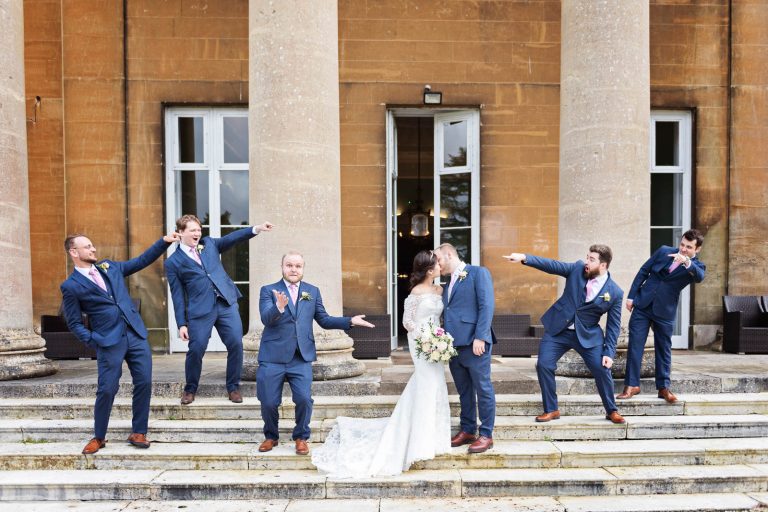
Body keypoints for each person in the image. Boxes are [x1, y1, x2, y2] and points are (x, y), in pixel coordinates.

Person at [312, 250, 451, 477]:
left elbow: (442, 317)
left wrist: (440, 338)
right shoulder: (416, 292)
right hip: (422, 342)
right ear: (429, 270)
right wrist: (427, 339)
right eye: (437, 264)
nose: (441, 266)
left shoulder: (440, 290)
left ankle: (434, 436)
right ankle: (420, 440)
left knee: (436, 383)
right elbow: (407, 322)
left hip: (437, 341)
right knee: (426, 382)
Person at [60, 230, 180, 454]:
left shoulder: (110, 267)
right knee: (107, 388)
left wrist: (163, 242)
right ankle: (99, 436)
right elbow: (74, 322)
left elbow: (140, 261)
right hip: (108, 341)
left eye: (92, 245)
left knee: (144, 382)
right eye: (87, 247)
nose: (93, 249)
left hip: (135, 334)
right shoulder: (71, 286)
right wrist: (93, 340)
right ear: (73, 252)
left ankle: (138, 431)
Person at [256, 252, 374, 456]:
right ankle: (271, 436)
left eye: (298, 266)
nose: (293, 269)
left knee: (303, 399)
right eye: (289, 265)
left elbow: (324, 320)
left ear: (303, 268)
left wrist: (349, 321)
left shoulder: (312, 291)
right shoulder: (268, 290)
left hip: (300, 356)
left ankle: (301, 437)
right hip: (272, 356)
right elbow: (266, 319)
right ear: (282, 267)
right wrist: (278, 307)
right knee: (268, 401)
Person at [504, 245, 626, 424]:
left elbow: (614, 325)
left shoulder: (615, 292)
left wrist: (609, 353)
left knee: (602, 368)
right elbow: (552, 265)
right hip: (558, 330)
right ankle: (551, 409)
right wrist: (524, 257)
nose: (587, 262)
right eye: (587, 257)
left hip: (587, 335)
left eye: (592, 260)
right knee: (544, 364)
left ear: (603, 265)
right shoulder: (576, 269)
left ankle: (611, 410)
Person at [164, 215, 273, 405]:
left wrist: (256, 228)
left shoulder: (209, 244)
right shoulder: (173, 262)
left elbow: (231, 238)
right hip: (200, 311)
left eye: (199, 229)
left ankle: (233, 387)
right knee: (196, 349)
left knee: (236, 345)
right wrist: (181, 323)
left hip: (226, 303)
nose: (198, 233)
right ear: (181, 233)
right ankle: (190, 389)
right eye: (192, 230)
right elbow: (177, 295)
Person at [618, 229, 706, 403]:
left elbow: (700, 277)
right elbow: (644, 271)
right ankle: (631, 385)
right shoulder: (664, 251)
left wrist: (687, 262)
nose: (683, 249)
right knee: (635, 345)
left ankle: (663, 388)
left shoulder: (696, 267)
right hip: (643, 304)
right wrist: (631, 296)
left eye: (689, 247)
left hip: (665, 310)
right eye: (682, 244)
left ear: (697, 249)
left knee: (663, 349)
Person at [435, 243, 496, 454]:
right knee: (464, 391)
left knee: (483, 388)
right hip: (453, 346)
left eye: (438, 259)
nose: (437, 264)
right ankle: (468, 429)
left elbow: (486, 306)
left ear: (449, 254)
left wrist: (480, 337)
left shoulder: (478, 273)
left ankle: (486, 434)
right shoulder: (446, 283)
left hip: (474, 343)